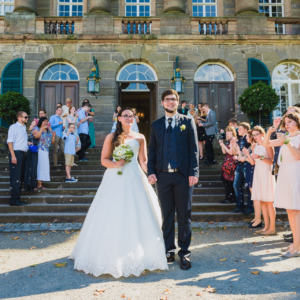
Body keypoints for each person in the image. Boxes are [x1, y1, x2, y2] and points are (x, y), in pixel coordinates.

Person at [70, 107, 168, 277]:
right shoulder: (111, 137)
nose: (129, 118)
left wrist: (150, 174)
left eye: (132, 116)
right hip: (115, 177)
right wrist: (116, 164)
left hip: (135, 177)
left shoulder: (140, 137)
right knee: (112, 212)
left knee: (138, 212)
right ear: (119, 118)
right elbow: (103, 160)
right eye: (126, 116)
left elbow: (143, 161)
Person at [148, 89, 199, 270]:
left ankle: (184, 252)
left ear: (177, 103)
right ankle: (169, 250)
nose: (171, 102)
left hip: (183, 176)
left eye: (174, 99)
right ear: (162, 103)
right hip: (162, 176)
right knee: (167, 215)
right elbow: (152, 150)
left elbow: (193, 148)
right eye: (167, 100)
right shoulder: (156, 125)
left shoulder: (188, 121)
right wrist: (150, 172)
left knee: (184, 215)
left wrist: (194, 172)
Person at [264, 113, 300, 257]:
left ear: (297, 122)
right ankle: (294, 244)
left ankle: (297, 248)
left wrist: (286, 142)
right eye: (286, 122)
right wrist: (269, 131)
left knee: (296, 210)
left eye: (290, 122)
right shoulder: (286, 137)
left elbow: (298, 155)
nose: (287, 124)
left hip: (295, 172)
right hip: (285, 172)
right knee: (290, 210)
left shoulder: (294, 137)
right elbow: (266, 144)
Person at [246, 126, 275, 234]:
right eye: (253, 135)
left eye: (257, 134)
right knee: (262, 201)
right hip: (257, 172)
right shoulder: (254, 146)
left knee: (269, 202)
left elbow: (272, 161)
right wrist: (248, 155)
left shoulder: (267, 144)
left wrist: (261, 157)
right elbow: (253, 163)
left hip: (266, 172)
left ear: (263, 134)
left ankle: (272, 228)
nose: (255, 137)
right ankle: (266, 227)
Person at [7, 111, 30, 206]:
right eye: (25, 117)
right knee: (16, 177)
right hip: (16, 154)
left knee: (20, 177)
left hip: (23, 154)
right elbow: (10, 142)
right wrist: (13, 155)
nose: (27, 119)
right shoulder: (14, 127)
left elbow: (20, 141)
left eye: (27, 117)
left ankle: (17, 199)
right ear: (19, 118)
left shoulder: (24, 128)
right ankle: (14, 200)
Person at [230, 122, 252, 213]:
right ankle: (240, 206)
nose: (237, 130)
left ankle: (250, 208)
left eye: (240, 128)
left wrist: (240, 156)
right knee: (236, 185)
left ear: (246, 130)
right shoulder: (240, 140)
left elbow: (245, 153)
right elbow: (236, 153)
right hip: (240, 165)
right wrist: (233, 145)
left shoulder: (249, 139)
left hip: (247, 164)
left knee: (249, 187)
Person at [32, 117, 56, 190]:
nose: (46, 122)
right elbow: (36, 136)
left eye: (47, 121)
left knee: (43, 168)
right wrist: (42, 129)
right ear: (41, 121)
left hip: (46, 151)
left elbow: (52, 142)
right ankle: (33, 184)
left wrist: (53, 135)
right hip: (39, 151)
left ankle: (39, 184)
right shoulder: (36, 128)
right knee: (38, 167)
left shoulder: (48, 131)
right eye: (44, 121)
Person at [219, 126, 238, 204]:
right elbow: (224, 152)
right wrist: (222, 144)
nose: (227, 132)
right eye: (226, 131)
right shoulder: (228, 140)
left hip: (231, 162)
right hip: (227, 161)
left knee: (227, 180)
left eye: (229, 131)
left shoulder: (233, 139)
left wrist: (223, 145)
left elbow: (231, 152)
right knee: (227, 180)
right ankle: (231, 196)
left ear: (233, 132)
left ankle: (229, 197)